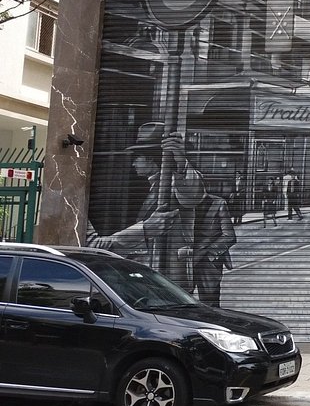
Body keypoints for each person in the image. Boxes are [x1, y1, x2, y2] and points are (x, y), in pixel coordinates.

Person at [89, 122, 236, 307]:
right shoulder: (148, 187)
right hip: (145, 274)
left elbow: (193, 193)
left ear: (151, 159)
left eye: (138, 157)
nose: (134, 163)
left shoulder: (172, 183)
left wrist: (181, 162)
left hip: (167, 275)